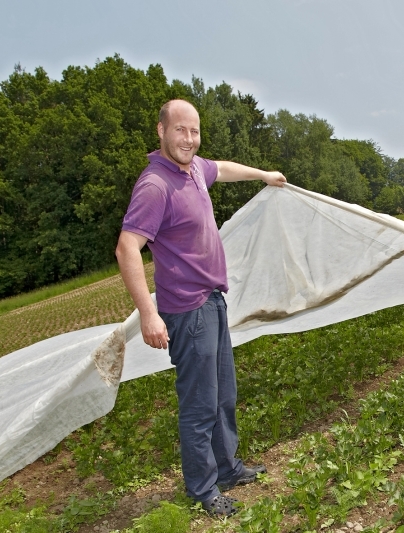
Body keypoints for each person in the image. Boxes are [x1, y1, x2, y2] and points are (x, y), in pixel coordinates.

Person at [116, 99, 287, 516]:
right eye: (180, 130)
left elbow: (222, 168)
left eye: (194, 131)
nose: (189, 139)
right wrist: (149, 314)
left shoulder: (192, 170)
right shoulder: (155, 185)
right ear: (161, 131)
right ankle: (203, 490)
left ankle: (228, 469)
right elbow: (127, 248)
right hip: (187, 311)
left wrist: (264, 175)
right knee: (199, 405)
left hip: (212, 301)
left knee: (223, 395)